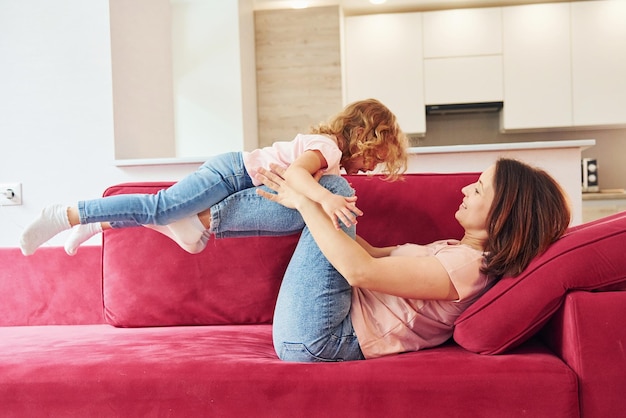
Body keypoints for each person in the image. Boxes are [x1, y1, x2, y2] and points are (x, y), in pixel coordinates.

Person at [201, 158, 571, 361]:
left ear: (505, 212)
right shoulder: (457, 253)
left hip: (321, 339)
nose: (464, 189)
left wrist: (309, 201)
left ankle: (201, 219)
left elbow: (359, 270)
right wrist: (320, 209)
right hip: (318, 326)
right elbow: (368, 253)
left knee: (329, 190)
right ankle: (203, 219)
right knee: (325, 195)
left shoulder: (467, 268)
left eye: (476, 189)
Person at [19, 98, 408, 256]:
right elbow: (295, 174)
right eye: (376, 156)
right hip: (230, 174)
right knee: (161, 206)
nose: (372, 167)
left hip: (235, 182)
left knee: (174, 223)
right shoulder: (327, 147)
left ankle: (101, 223)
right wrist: (326, 198)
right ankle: (65, 214)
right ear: (362, 137)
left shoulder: (333, 159)